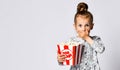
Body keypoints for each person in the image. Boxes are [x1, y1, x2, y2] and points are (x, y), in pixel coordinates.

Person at [57, 2, 105, 70]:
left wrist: (87, 38)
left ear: (92, 26)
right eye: (80, 25)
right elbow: (66, 59)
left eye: (87, 25)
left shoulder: (95, 39)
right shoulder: (72, 41)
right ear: (75, 27)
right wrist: (60, 60)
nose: (83, 29)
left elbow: (101, 49)